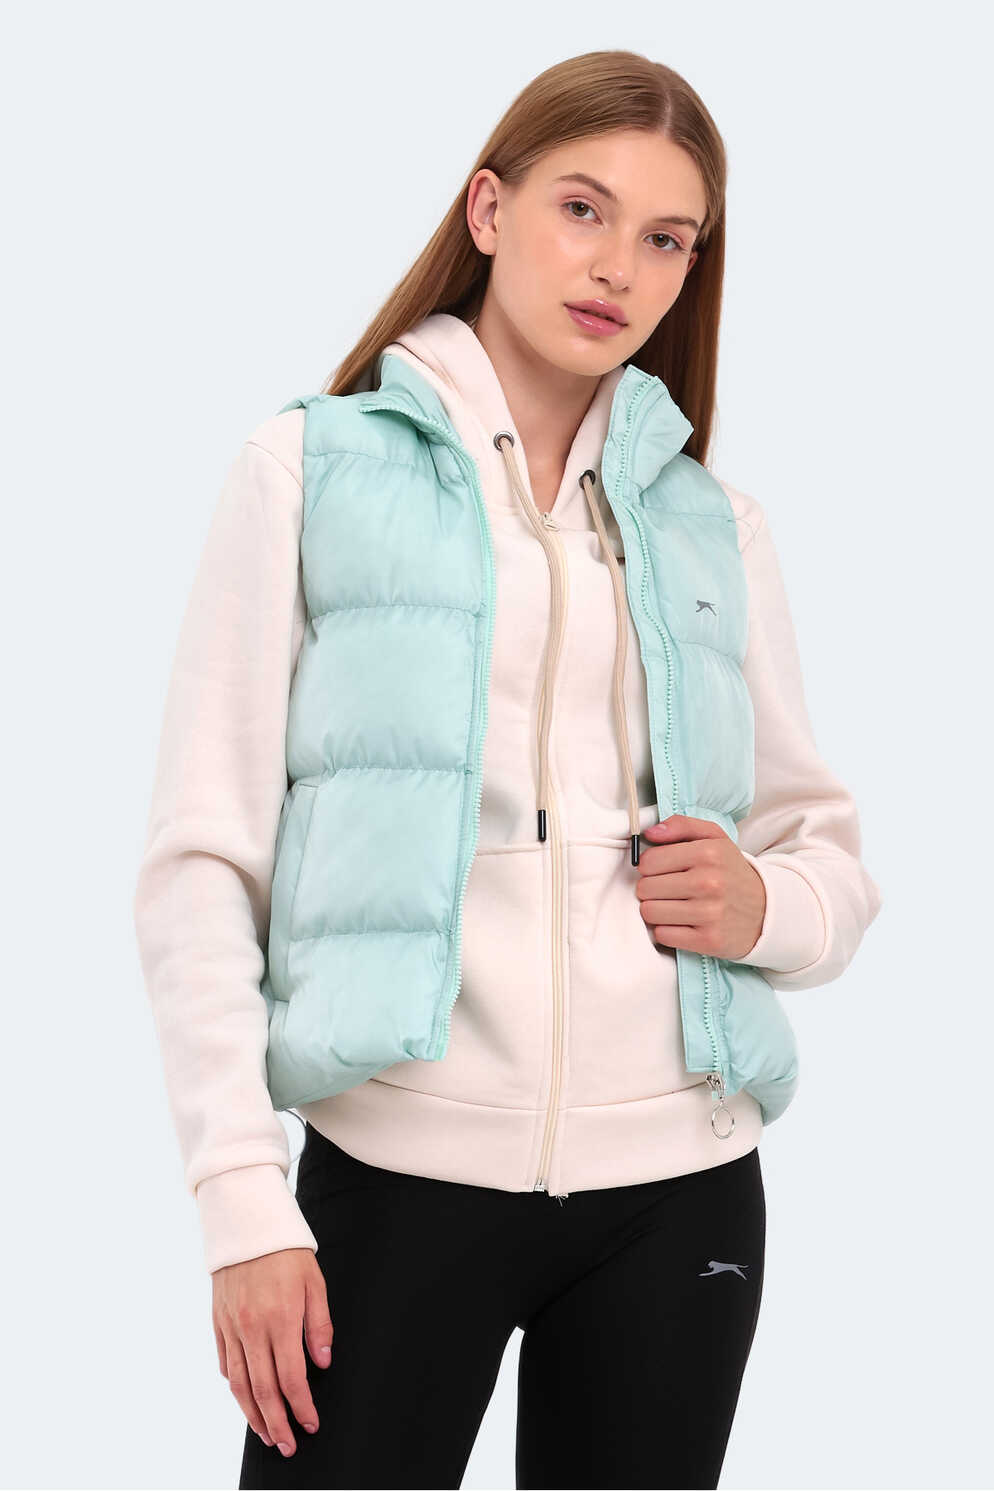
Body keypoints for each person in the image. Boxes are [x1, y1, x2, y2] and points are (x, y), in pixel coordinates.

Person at [132, 48, 882, 1491]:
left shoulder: (713, 524)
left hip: (681, 1184)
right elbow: (200, 861)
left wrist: (766, 908)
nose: (617, 268)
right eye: (581, 209)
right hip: (397, 1176)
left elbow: (824, 853)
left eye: (666, 238)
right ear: (489, 209)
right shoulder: (305, 472)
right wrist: (242, 1203)